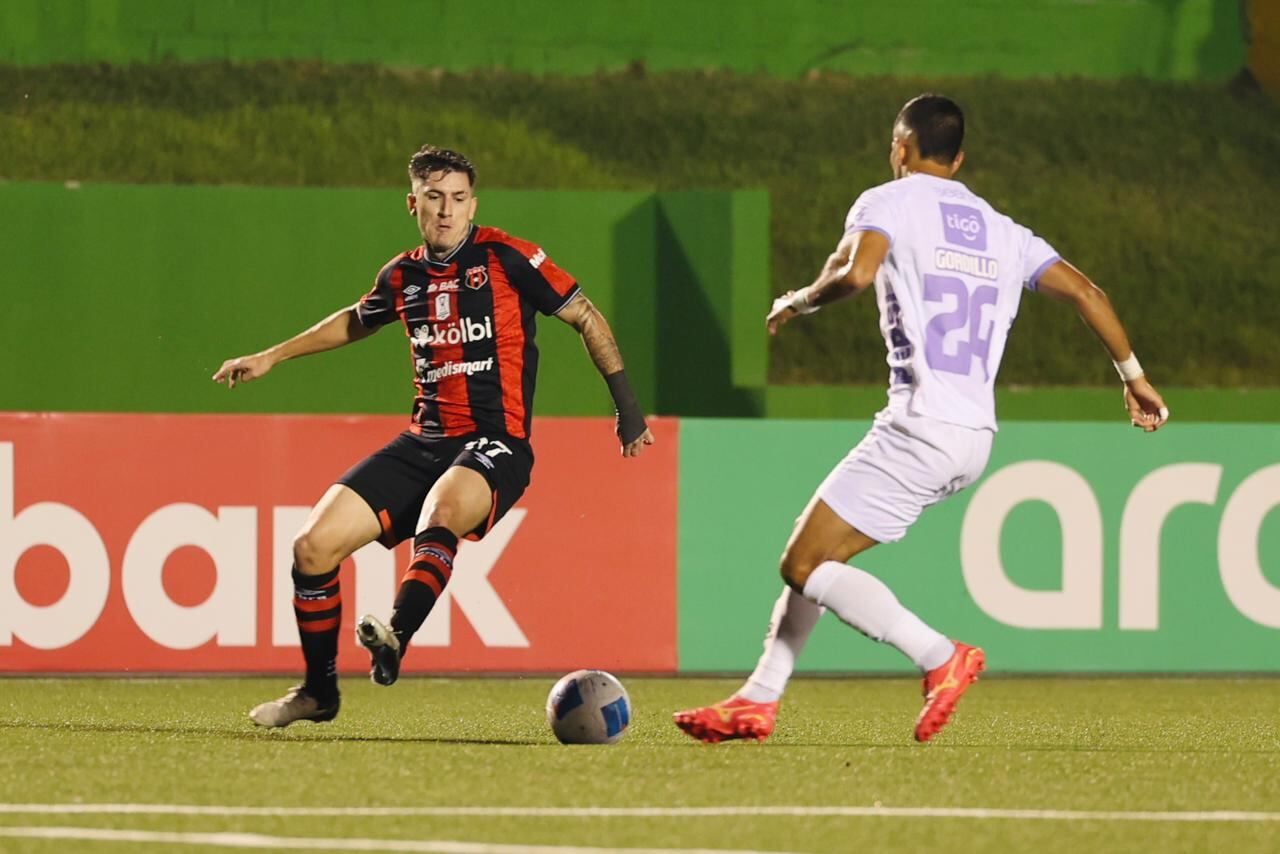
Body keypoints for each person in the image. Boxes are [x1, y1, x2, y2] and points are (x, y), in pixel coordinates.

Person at [673, 94, 1169, 744]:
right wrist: (1134, 379)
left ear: (900, 148)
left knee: (801, 565)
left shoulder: (889, 200)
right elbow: (1088, 293)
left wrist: (798, 302)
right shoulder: (1004, 230)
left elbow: (857, 271)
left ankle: (939, 655)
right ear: (959, 158)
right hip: (974, 438)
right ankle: (759, 698)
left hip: (918, 426)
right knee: (819, 556)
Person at [213, 146, 655, 727]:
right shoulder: (402, 276)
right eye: (434, 198)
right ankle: (318, 693)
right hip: (422, 441)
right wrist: (272, 356)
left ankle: (395, 633)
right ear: (413, 203)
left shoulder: (508, 257)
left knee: (443, 508)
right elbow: (355, 319)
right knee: (310, 548)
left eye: (458, 199)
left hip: (497, 442)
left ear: (474, 203)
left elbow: (586, 316)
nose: (447, 211)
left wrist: (628, 409)